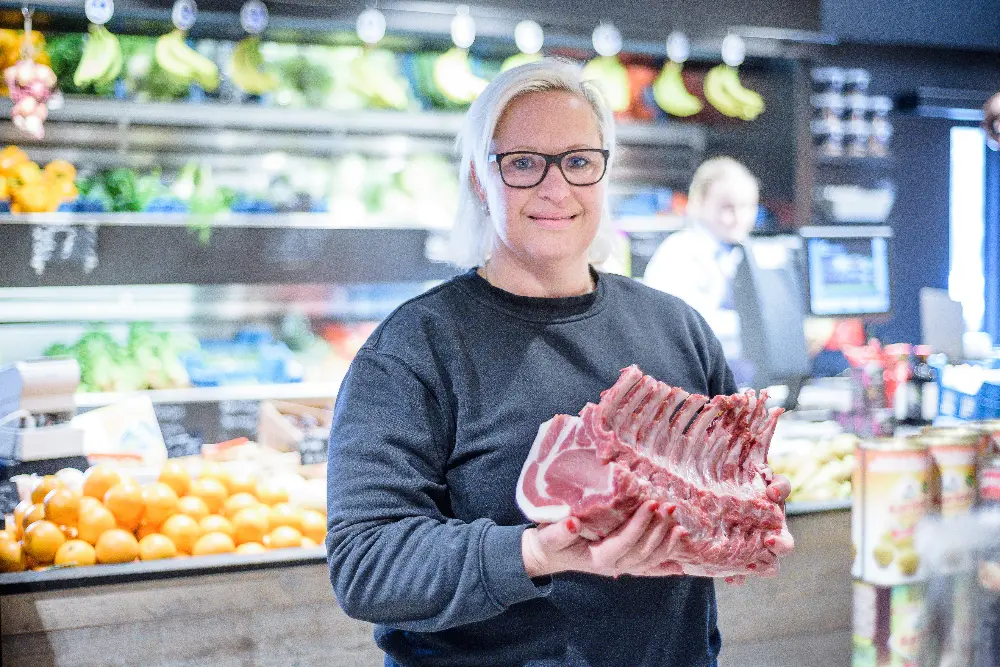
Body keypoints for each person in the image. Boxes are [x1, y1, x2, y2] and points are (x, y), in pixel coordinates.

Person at [325, 58, 791, 667]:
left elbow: (731, 492)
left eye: (578, 161)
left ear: (603, 172)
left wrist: (749, 521)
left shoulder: (678, 329)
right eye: (523, 163)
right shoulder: (416, 348)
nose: (555, 188)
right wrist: (537, 554)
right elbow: (366, 563)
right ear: (479, 179)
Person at [642, 157, 761, 387]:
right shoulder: (678, 252)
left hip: (743, 386)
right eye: (727, 207)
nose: (739, 217)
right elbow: (685, 331)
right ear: (698, 203)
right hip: (693, 389)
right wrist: (760, 327)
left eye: (748, 206)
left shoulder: (748, 253)